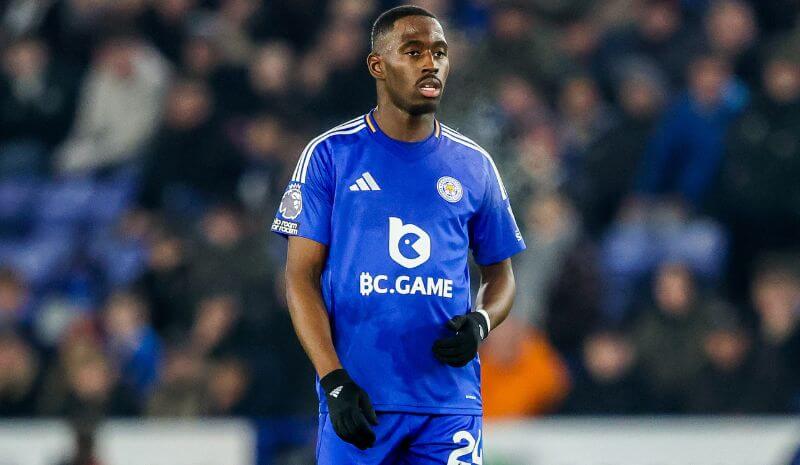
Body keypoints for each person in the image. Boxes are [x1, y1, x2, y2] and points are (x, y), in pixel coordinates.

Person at [272, 6, 525, 463]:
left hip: (450, 406)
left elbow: (501, 276)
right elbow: (300, 280)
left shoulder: (475, 166)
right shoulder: (330, 156)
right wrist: (333, 380)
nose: (431, 63)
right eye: (413, 52)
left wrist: (482, 321)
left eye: (440, 53)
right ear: (377, 66)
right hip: (361, 402)